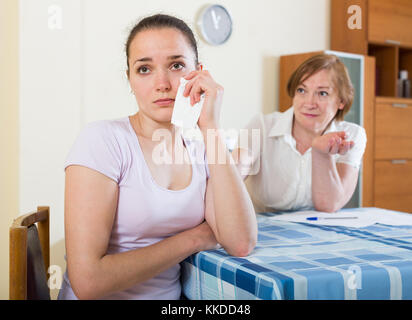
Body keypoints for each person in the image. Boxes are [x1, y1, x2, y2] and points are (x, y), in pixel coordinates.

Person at [58, 14, 257, 300]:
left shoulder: (202, 148)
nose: (162, 83)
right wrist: (194, 238)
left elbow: (239, 243)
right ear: (129, 78)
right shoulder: (102, 140)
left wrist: (210, 126)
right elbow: (88, 282)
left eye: (176, 65)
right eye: (144, 69)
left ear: (198, 74)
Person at [232, 54, 367, 213]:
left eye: (322, 93)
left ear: (341, 101)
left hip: (317, 228)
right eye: (302, 90)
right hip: (264, 226)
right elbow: (231, 176)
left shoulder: (351, 135)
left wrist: (321, 153)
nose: (309, 103)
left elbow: (329, 205)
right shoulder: (261, 126)